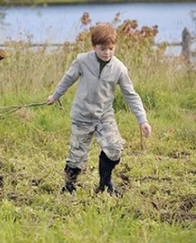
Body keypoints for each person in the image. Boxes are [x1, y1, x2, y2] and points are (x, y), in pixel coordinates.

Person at [46, 22, 152, 196]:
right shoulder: (82, 61)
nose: (107, 53)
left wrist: (143, 120)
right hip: (82, 115)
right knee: (77, 155)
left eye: (111, 48)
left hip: (104, 115)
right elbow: (68, 78)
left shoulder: (119, 68)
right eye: (102, 49)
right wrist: (55, 95)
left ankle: (105, 183)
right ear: (94, 46)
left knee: (114, 147)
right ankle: (69, 187)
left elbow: (130, 95)